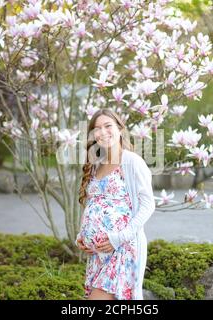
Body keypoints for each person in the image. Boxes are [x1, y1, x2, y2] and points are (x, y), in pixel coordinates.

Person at [75, 108, 156, 300]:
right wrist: (82, 236)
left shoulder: (132, 162)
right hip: (98, 255)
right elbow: (94, 204)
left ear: (120, 129)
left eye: (108, 126)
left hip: (122, 250)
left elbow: (148, 205)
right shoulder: (97, 164)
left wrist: (118, 239)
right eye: (97, 128)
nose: (102, 132)